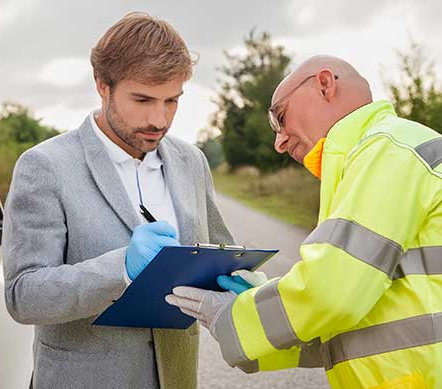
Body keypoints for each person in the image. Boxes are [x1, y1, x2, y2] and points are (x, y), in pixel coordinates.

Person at [166, 55, 442, 388]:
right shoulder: (386, 152)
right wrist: (262, 300)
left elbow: (333, 293)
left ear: (325, 84)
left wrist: (237, 317)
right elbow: (350, 320)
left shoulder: (387, 149)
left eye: (279, 118)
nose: (279, 142)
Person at [2, 12, 233, 389]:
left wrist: (239, 277)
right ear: (102, 86)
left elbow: (218, 248)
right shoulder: (44, 166)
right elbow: (23, 295)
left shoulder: (192, 161)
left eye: (171, 101)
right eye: (142, 99)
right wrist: (120, 268)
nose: (159, 119)